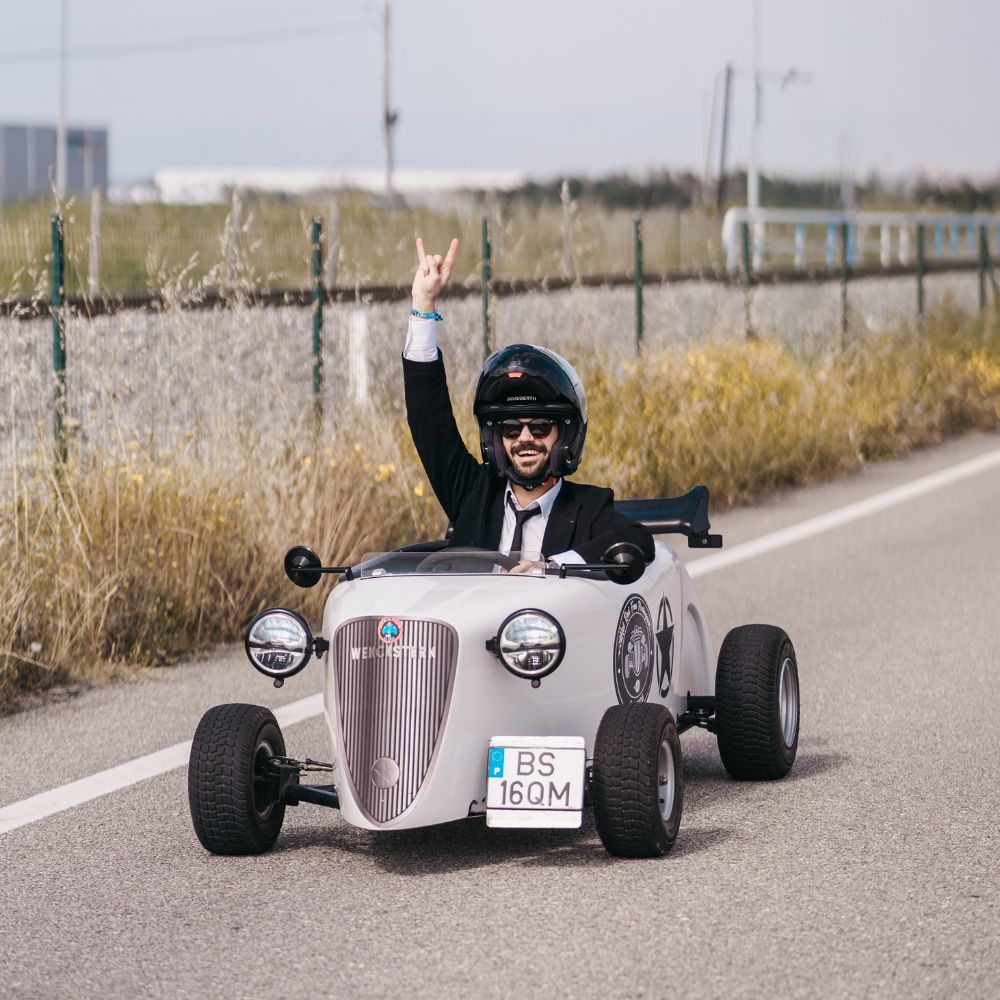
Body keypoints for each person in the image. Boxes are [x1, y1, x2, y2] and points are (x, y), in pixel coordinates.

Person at [403, 237, 654, 574]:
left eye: (539, 427)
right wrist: (423, 305)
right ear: (497, 439)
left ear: (564, 436)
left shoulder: (588, 508)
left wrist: (551, 566)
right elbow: (428, 420)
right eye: (510, 429)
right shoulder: (472, 495)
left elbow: (637, 539)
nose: (524, 438)